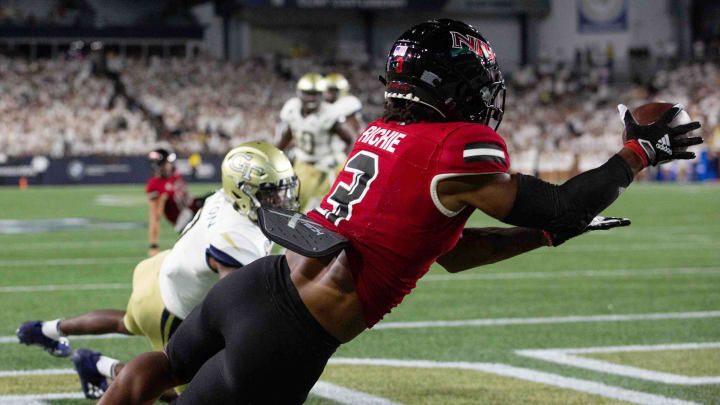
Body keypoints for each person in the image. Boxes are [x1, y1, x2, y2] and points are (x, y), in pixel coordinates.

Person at [98, 19, 702, 405]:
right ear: (453, 86)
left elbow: (453, 254)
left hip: (259, 285)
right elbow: (563, 201)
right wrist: (637, 153)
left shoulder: (379, 132)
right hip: (290, 334)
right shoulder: (457, 146)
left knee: (157, 369)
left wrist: (542, 236)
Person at [16, 142, 299, 400]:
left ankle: (55, 336)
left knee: (125, 323)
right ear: (243, 191)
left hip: (166, 272)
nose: (281, 200)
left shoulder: (224, 199)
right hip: (173, 309)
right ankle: (103, 366)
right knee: (186, 393)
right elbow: (235, 309)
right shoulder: (236, 238)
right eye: (272, 192)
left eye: (284, 189)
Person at [277, 73, 357, 212]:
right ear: (299, 93)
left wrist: (340, 157)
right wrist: (276, 154)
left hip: (329, 163)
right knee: (295, 203)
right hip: (304, 162)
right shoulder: (292, 109)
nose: (311, 98)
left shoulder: (330, 113)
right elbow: (288, 135)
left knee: (340, 201)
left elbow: (349, 139)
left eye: (315, 94)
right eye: (307, 93)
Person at [145, 148, 203, 257]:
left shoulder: (174, 173)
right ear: (159, 166)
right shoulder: (154, 185)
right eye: (167, 162)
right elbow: (155, 218)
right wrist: (153, 246)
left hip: (195, 206)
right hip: (185, 220)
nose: (170, 164)